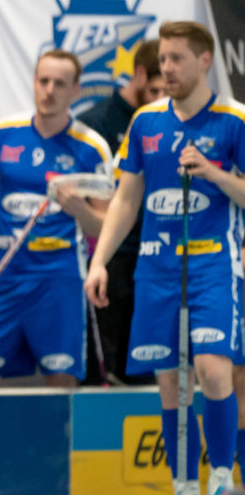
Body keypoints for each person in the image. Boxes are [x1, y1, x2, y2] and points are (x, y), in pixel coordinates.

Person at [86, 21, 245, 495]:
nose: (168, 70)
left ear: (204, 61)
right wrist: (100, 260)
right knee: (170, 384)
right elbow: (127, 198)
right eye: (163, 61)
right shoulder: (145, 124)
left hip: (214, 266)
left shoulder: (234, 121)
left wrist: (215, 174)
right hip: (156, 268)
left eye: (177, 59)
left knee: (212, 369)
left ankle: (222, 484)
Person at [0, 50, 111, 389]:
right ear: (33, 83)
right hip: (5, 280)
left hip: (60, 282)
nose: (49, 90)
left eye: (60, 84)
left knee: (60, 386)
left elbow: (107, 228)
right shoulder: (2, 135)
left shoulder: (92, 148)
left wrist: (80, 210)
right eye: (43, 81)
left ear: (75, 91)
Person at [78, 39, 161, 386]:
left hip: (159, 256)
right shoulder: (95, 123)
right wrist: (98, 259)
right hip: (113, 255)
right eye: (155, 87)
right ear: (139, 74)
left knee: (149, 366)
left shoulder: (169, 119)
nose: (163, 95)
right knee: (105, 369)